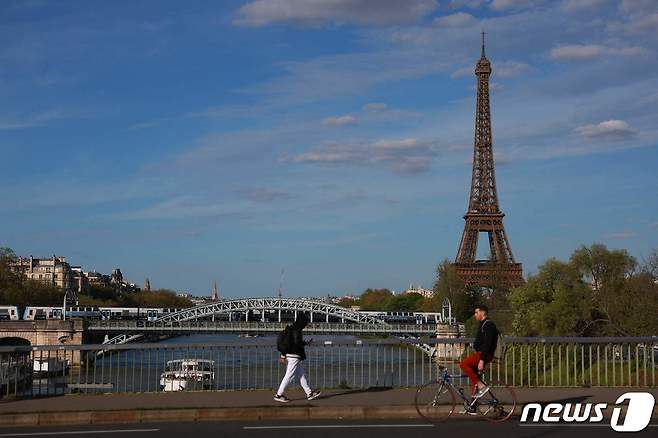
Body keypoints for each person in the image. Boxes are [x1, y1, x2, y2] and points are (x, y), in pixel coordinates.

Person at [274, 313, 321, 403]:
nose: (306, 324)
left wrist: (283, 355)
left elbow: (289, 342)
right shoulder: (297, 329)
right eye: (305, 322)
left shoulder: (292, 328)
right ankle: (278, 395)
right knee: (289, 376)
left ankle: (309, 393)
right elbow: (297, 342)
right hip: (294, 355)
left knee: (301, 375)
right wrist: (307, 343)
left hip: (293, 355)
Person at [459, 304, 497, 399]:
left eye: (476, 312)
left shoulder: (488, 325)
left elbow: (488, 344)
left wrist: (482, 360)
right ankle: (473, 406)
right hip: (481, 354)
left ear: (483, 312)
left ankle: (481, 385)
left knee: (463, 364)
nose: (475, 315)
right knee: (474, 378)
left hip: (484, 355)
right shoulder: (483, 324)